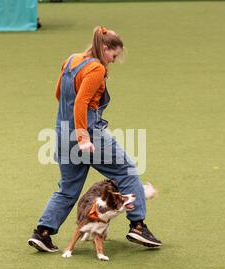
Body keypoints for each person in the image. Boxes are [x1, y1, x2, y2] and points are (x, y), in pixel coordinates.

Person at [28, 26, 162, 253]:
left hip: (62, 133)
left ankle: (43, 232)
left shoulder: (72, 60)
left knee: (68, 188)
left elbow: (59, 94)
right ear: (105, 47)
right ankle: (138, 226)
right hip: (89, 135)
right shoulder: (96, 69)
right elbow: (81, 103)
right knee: (127, 170)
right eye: (114, 54)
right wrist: (82, 137)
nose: (114, 59)